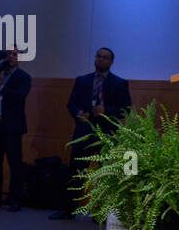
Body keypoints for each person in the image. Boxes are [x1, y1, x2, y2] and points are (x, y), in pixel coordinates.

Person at [52, 47, 132, 219]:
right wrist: (77, 114)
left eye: (105, 57)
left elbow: (126, 109)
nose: (101, 59)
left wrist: (106, 110)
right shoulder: (82, 81)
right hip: (84, 131)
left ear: (111, 62)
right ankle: (68, 210)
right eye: (99, 56)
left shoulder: (119, 83)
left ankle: (101, 214)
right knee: (76, 172)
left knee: (105, 174)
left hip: (107, 133)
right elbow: (71, 104)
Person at [0, 48, 31, 211]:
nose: (11, 57)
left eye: (15, 54)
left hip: (12, 127)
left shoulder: (23, 77)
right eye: (8, 54)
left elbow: (19, 97)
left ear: (20, 58)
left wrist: (2, 86)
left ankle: (15, 199)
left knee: (15, 164)